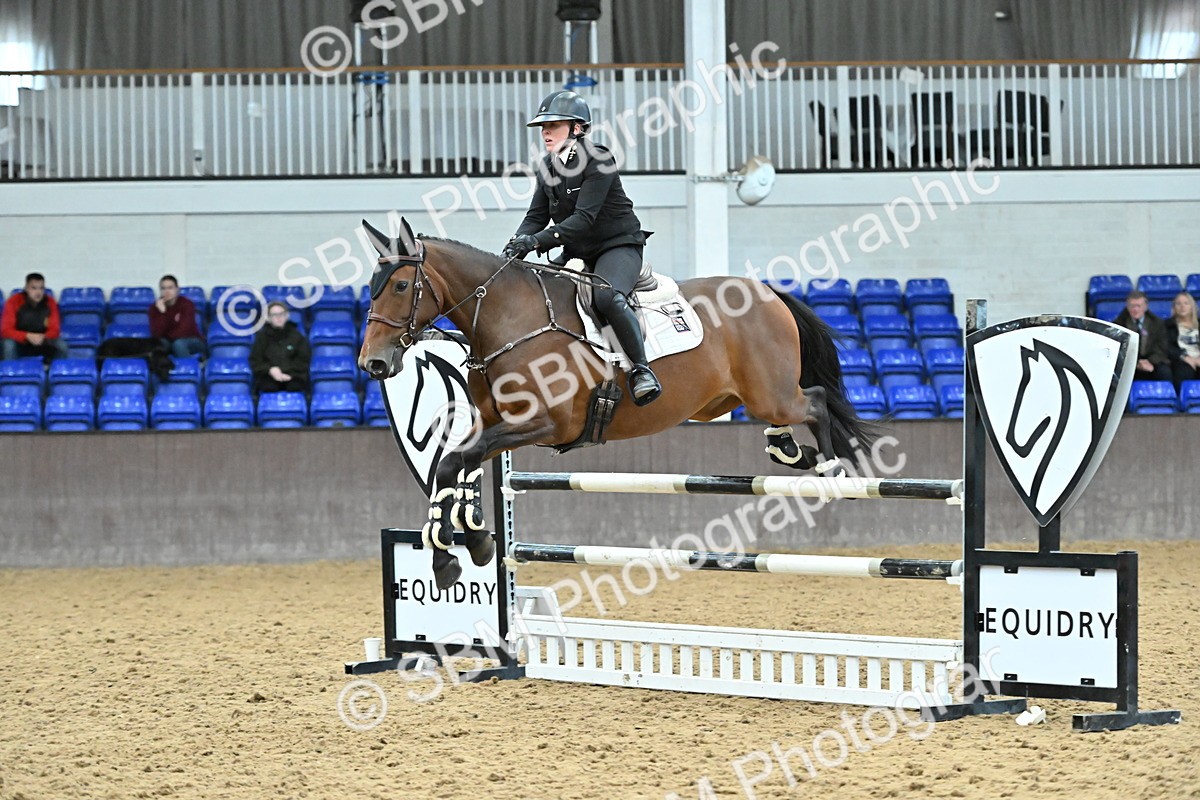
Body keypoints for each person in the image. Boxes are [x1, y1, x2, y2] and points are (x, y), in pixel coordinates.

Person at [502, 90, 662, 406]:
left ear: (577, 128)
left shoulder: (598, 160)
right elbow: (536, 216)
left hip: (617, 246)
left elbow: (583, 219)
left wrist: (535, 242)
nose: (545, 133)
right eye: (543, 128)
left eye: (554, 126)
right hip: (578, 251)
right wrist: (512, 248)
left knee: (606, 296)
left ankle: (642, 371)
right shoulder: (547, 167)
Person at [1, 272, 68, 363]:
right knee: (8, 344)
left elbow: (55, 329)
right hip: (20, 343)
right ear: (26, 289)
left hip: (42, 341)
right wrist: (27, 336)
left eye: (41, 288)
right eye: (34, 288)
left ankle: (57, 373)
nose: (38, 292)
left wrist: (43, 337)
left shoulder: (50, 302)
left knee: (61, 345)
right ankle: (10, 373)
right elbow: (6, 330)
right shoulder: (13, 301)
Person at [250, 302, 310, 394]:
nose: (279, 317)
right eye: (274, 315)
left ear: (287, 316)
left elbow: (303, 359)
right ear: (268, 318)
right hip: (268, 376)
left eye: (281, 314)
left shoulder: (297, 336)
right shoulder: (261, 338)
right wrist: (270, 370)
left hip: (293, 376)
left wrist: (286, 373)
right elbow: (256, 361)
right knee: (269, 388)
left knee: (294, 387)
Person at [1113, 290, 1172, 383]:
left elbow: (1161, 348)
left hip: (1152, 362)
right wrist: (1136, 364)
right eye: (1132, 306)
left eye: (1138, 306)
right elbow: (1117, 349)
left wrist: (1150, 361)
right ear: (1127, 307)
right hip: (1128, 363)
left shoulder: (1157, 323)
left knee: (1164, 372)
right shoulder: (1118, 325)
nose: (1135, 309)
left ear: (1145, 307)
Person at [148, 275, 205, 359]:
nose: (167, 292)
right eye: (163, 288)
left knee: (178, 344)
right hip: (170, 341)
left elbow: (184, 331)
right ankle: (163, 369)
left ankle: (187, 369)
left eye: (170, 288)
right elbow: (156, 334)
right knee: (159, 344)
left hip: (192, 340)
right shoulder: (155, 308)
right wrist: (162, 313)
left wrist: (167, 335)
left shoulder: (187, 304)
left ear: (177, 289)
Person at [1164, 291, 1200, 390]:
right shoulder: (1167, 325)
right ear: (1174, 307)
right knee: (1184, 371)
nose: (1182, 306)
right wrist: (1185, 357)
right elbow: (1166, 347)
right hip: (1180, 360)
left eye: (1186, 303)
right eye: (1178, 303)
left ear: (1192, 306)